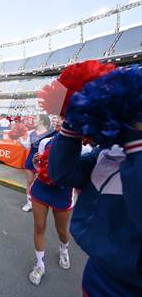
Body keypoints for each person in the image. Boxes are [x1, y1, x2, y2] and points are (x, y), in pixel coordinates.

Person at [48, 65, 142, 296]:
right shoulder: (109, 152)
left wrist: (136, 143)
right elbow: (62, 173)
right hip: (97, 275)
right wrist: (73, 124)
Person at [27, 117, 72, 286]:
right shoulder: (45, 142)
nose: (59, 121)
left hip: (62, 192)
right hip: (41, 189)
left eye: (64, 118)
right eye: (58, 118)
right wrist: (35, 163)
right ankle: (39, 265)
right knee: (39, 227)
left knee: (61, 230)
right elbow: (39, 168)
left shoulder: (83, 145)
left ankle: (64, 249)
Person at [19, 114, 52, 212]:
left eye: (35, 119)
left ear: (42, 121)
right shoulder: (31, 133)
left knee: (41, 183)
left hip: (44, 161)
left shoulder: (50, 133)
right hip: (31, 159)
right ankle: (29, 203)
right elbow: (26, 146)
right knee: (29, 181)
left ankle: (41, 202)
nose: (33, 120)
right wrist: (19, 138)